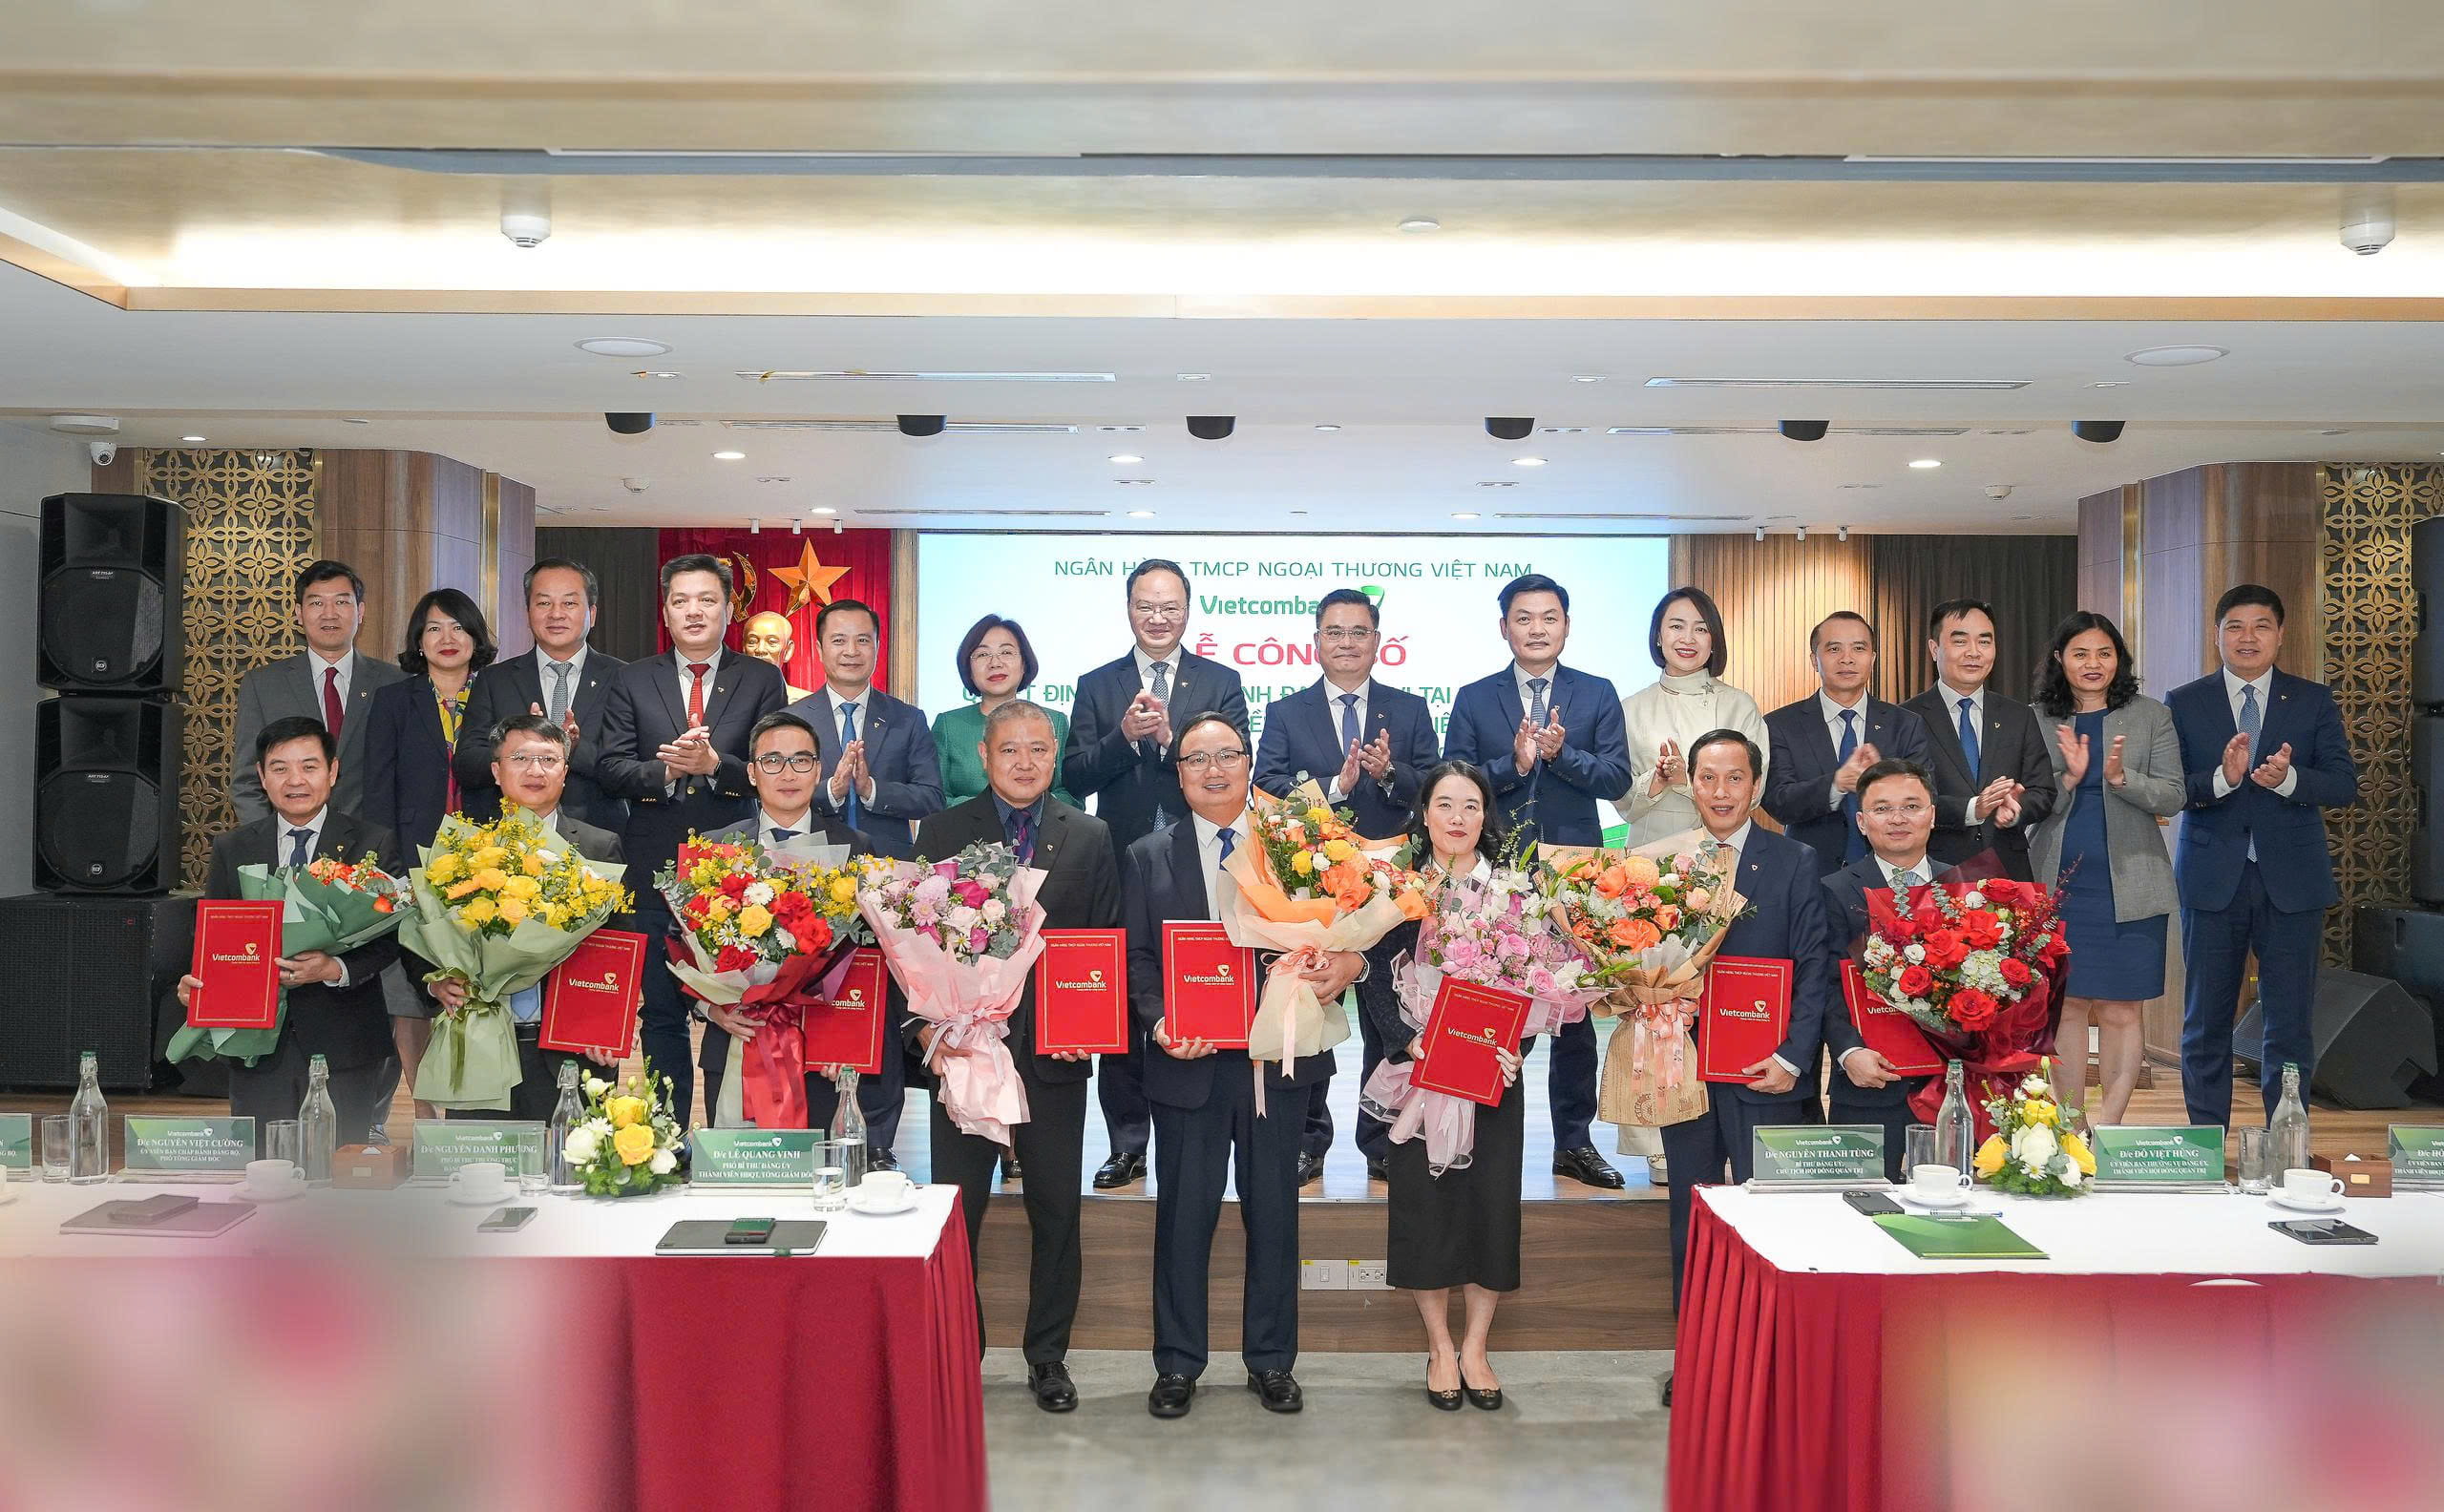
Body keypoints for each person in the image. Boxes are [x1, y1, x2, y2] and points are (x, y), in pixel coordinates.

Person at [1126, 712, 1363, 1420]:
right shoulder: (1147, 855)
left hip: (1277, 1060)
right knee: (1183, 1217)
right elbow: (1137, 958)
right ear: (1178, 773)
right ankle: (1177, 1363)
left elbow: (1344, 929)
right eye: (1196, 759)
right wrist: (1159, 1021)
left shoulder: (1300, 847)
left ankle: (1272, 1361)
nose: (1213, 769)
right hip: (1189, 1062)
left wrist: (1345, 960)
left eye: (1226, 755)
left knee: (1275, 1215)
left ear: (1249, 763)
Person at [910, 699, 1120, 1413]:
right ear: (983, 755)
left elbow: (1105, 942)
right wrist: (925, 1033)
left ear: (1056, 755)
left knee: (1056, 1210)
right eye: (1009, 750)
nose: (1025, 762)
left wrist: (1092, 1024)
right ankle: (958, 1352)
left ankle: (1048, 1356)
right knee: (957, 1211)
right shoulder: (942, 831)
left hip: (1053, 1055)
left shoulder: (1088, 835)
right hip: (966, 1054)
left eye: (1038, 749)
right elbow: (910, 942)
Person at [1658, 728, 1835, 1408]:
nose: (1721, 791)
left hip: (1768, 1070)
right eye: (1708, 777)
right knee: (1693, 1216)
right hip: (1686, 1067)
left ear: (1756, 785)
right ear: (1691, 785)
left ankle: (1775, 1362)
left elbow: (1814, 966)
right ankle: (1698, 1359)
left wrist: (1793, 1057)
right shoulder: (1665, 863)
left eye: (1735, 778)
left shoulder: (1794, 859)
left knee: (1771, 1218)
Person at [1443, 573, 1632, 1191]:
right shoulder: (1475, 697)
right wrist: (1515, 763)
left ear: (1567, 625)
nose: (1537, 628)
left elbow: (1616, 778)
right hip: (1497, 872)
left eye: (1549, 617)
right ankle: (1476, 1133)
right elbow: (1454, 780)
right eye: (1524, 618)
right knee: (1494, 1004)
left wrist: (1560, 756)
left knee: (1574, 1017)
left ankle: (1573, 1143)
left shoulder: (1596, 692)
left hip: (1575, 876)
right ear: (1504, 628)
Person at [1067, 558, 1250, 1191]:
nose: (1158, 617)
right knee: (1126, 992)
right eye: (1146, 605)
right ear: (1128, 609)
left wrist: (1175, 742)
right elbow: (1075, 775)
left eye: (1170, 606)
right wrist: (1122, 737)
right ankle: (1126, 1142)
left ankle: (1203, 1116)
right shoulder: (1097, 684)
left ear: (1188, 611)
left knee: (1195, 985)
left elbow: (1237, 762)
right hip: (1122, 859)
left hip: (1200, 859)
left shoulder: (1221, 681)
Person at [594, 554, 789, 1125]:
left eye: (707, 600)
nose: (694, 611)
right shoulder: (633, 678)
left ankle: (732, 1134)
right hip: (652, 863)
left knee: (736, 1005)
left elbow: (773, 765)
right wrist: (667, 772)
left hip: (735, 874)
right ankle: (668, 1136)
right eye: (681, 601)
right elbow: (610, 767)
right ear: (666, 612)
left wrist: (715, 766)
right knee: (661, 1013)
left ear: (728, 609)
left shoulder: (760, 679)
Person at [1254, 587, 1440, 1186]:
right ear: (1315, 642)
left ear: (1377, 641)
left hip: (1391, 887)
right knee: (1311, 1004)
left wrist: (1389, 774)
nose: (1346, 643)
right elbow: (1267, 786)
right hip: (1311, 885)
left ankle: (1383, 1137)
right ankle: (1309, 1139)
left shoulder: (1410, 710)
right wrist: (1336, 785)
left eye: (1358, 631)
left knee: (1391, 1011)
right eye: (1334, 632)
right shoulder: (1286, 712)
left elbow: (1434, 787)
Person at [1363, 761, 1526, 1412]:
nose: (1458, 818)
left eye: (1471, 806)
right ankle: (1438, 1347)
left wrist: (1514, 1048)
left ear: (1487, 815)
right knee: (1425, 1212)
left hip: (1492, 1075)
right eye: (1445, 805)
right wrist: (1408, 1040)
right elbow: (1372, 976)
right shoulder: (1396, 888)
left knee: (1491, 1210)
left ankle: (1477, 1348)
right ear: (1424, 813)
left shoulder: (1513, 891)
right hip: (1417, 1073)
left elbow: (1534, 985)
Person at [2166, 585, 2358, 1126]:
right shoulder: (2185, 700)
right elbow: (2171, 789)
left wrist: (2290, 779)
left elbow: (2343, 784)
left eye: (2261, 626)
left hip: (2292, 881)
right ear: (2217, 635)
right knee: (2205, 1020)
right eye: (2235, 626)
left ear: (2280, 634)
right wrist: (2222, 779)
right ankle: (2207, 1144)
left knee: (2289, 1022)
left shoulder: (2313, 699)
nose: (2247, 638)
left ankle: (2285, 1140)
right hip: (2212, 879)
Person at [177, 717, 400, 1149]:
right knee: (265, 1164)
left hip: (345, 1041)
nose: (295, 780)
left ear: (332, 772)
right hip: (257, 1044)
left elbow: (390, 938)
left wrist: (334, 968)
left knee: (341, 1167)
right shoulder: (233, 848)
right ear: (262, 777)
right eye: (280, 768)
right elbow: (212, 934)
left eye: (309, 766)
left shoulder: (371, 843)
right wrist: (198, 984)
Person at [1610, 584, 1766, 1181]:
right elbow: (1622, 799)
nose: (1688, 638)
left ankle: (1727, 1121)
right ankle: (1657, 1134)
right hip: (1653, 862)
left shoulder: (1739, 705)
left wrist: (1696, 781)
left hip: (1725, 859)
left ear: (1714, 639)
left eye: (1700, 628)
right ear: (1657, 636)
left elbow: (1758, 788)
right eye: (1676, 626)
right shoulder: (1632, 707)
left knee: (1723, 990)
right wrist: (1660, 779)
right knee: (1658, 996)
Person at [695, 711, 885, 1156]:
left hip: (822, 1052)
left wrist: (847, 1036)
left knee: (819, 1177)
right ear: (752, 772)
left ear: (818, 771)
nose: (787, 773)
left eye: (801, 761)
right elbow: (682, 945)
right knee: (738, 1178)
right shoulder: (716, 847)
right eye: (772, 761)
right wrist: (711, 1007)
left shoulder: (856, 848)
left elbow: (868, 955)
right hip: (737, 1039)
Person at [426, 715, 628, 1121]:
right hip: (481, 1044)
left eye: (548, 760)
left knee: (570, 1157)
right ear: (496, 771)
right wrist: (435, 983)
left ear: (565, 772)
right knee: (481, 1158)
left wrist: (608, 1026)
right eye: (520, 758)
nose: (536, 770)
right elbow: (427, 935)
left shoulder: (598, 847)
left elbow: (618, 946)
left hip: (571, 1047)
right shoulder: (463, 849)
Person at [2028, 612, 2183, 1126]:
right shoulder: (2036, 719)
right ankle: (2072, 1126)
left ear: (2119, 659)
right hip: (2058, 886)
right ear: (2060, 659)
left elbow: (2174, 794)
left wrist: (2121, 779)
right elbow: (2029, 802)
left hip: (2132, 885)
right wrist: (2069, 779)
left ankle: (2110, 1127)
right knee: (2067, 1006)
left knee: (2121, 1008)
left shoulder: (2152, 716)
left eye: (2104, 653)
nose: (2093, 664)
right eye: (2080, 654)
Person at [361, 587, 495, 1123]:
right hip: (413, 863)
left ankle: (472, 1112)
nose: (447, 638)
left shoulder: (497, 695)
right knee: (411, 993)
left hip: (488, 864)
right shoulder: (395, 701)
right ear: (419, 640)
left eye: (459, 627)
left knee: (475, 987)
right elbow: (378, 790)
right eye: (434, 628)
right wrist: (390, 869)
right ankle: (423, 1112)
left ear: (476, 638)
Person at [1820, 760, 1960, 1176]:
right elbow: (1824, 985)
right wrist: (1848, 1051)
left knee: (1949, 1199)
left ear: (1932, 815)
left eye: (1911, 806)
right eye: (1882, 809)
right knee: (1860, 1200)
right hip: (1867, 1080)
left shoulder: (1964, 887)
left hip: (1950, 1087)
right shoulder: (1833, 891)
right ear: (1862, 822)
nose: (1898, 819)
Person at [454, 557, 629, 831]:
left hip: (599, 834)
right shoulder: (495, 679)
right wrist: (518, 749)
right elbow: (466, 764)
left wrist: (573, 748)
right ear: (528, 612)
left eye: (569, 603)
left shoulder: (624, 678)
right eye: (544, 603)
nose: (556, 614)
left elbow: (630, 768)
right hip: (509, 836)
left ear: (592, 614)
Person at [229, 558, 406, 827]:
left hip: (373, 841)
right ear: (299, 613)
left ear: (360, 611)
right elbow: (247, 781)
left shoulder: (395, 682)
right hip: (290, 842)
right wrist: (270, 842)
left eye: (341, 602)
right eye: (316, 603)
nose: (329, 613)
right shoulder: (263, 685)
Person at [1763, 611, 1932, 880]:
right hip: (1811, 876)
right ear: (1814, 660)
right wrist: (1837, 784)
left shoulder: (1905, 724)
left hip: (1892, 877)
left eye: (1858, 648)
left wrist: (1883, 781)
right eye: (1834, 649)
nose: (1847, 658)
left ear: (1872, 659)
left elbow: (1926, 796)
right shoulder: (1780, 724)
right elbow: (1778, 802)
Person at [1901, 598, 2055, 881]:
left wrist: (2017, 807)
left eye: (1984, 642)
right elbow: (1905, 801)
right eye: (1960, 641)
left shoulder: (2019, 715)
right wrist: (1973, 809)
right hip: (1936, 873)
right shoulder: (1906, 718)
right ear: (1934, 649)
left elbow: (2043, 791)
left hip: (2008, 874)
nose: (1974, 652)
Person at [787, 598, 943, 861]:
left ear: (877, 647)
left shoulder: (907, 719)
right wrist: (831, 790)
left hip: (889, 866)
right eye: (839, 640)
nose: (851, 651)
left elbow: (932, 798)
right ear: (819, 649)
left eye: (862, 640)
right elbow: (774, 794)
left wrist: (871, 790)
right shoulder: (791, 720)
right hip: (811, 862)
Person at [931, 614, 1077, 810]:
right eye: (983, 655)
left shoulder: (1054, 721)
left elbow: (1070, 795)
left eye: (1006, 652)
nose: (995, 663)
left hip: (1040, 829)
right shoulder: (949, 725)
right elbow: (935, 798)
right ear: (968, 668)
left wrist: (1027, 809)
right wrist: (996, 809)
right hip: (967, 828)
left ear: (1024, 663)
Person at [741, 609, 815, 702]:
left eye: (772, 642)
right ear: (744, 648)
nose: (760, 649)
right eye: (752, 641)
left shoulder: (808, 703)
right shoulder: (728, 698)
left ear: (788, 650)